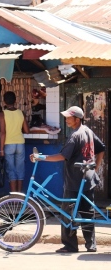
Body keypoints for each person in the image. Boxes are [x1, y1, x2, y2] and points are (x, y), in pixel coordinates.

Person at [30, 106, 105, 253]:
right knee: (87, 213)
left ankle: (70, 245)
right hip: (88, 179)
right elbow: (101, 148)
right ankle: (91, 245)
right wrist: (95, 169)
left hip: (75, 180)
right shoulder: (88, 131)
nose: (66, 119)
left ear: (77, 119)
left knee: (66, 213)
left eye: (69, 117)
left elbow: (62, 156)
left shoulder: (75, 135)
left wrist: (41, 157)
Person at [0, 91, 30, 192]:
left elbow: (3, 132)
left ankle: (13, 197)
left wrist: (1, 149)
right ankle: (20, 196)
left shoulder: (2, 114)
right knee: (20, 170)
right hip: (20, 143)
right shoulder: (21, 113)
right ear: (15, 101)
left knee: (11, 171)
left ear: (4, 101)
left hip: (9, 144)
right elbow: (26, 130)